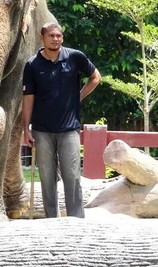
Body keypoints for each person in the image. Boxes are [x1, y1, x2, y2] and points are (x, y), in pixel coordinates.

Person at [21, 22, 101, 218]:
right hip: (42, 130)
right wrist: (26, 128)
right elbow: (28, 98)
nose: (55, 39)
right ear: (42, 38)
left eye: (58, 36)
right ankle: (51, 221)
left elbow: (95, 77)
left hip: (69, 129)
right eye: (51, 36)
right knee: (47, 179)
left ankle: (76, 221)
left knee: (72, 177)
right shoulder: (32, 65)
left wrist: (79, 96)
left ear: (62, 38)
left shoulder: (74, 57)